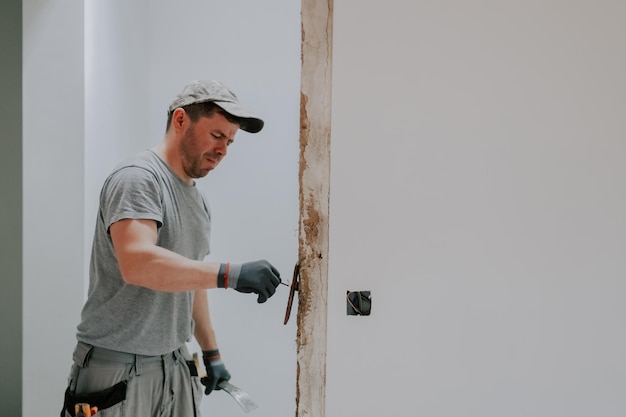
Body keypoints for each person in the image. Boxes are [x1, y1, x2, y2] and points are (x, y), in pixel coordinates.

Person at [60, 80, 282, 417]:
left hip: (174, 363)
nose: (223, 150)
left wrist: (211, 352)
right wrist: (231, 274)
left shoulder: (198, 200)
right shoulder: (138, 178)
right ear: (180, 121)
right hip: (118, 366)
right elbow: (138, 263)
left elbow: (192, 281)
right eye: (217, 136)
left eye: (230, 142)